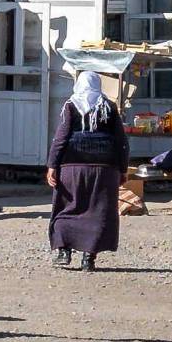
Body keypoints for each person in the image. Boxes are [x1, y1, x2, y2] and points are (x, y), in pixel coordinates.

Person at [47, 70, 127, 272]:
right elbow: (120, 141)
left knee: (67, 206)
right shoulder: (108, 106)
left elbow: (61, 138)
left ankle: (63, 250)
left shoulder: (72, 105)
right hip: (105, 169)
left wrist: (52, 165)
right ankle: (88, 259)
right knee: (99, 211)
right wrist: (123, 169)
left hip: (72, 168)